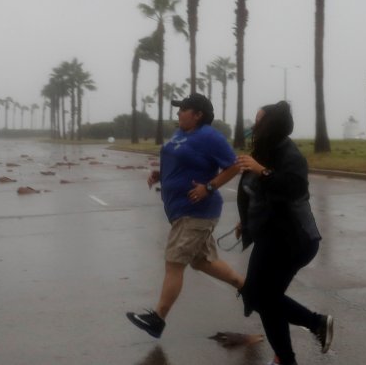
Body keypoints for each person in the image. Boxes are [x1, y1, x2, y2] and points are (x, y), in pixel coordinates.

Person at [126, 93, 245, 339]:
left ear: (198, 114)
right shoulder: (181, 133)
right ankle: (249, 289)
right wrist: (162, 174)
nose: (178, 113)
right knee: (202, 262)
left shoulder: (210, 137)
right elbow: (180, 159)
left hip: (197, 212)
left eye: (183, 109)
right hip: (180, 211)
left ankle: (157, 319)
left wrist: (208, 187)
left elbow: (234, 165)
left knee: (174, 262)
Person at [235, 101, 332, 365]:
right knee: (264, 298)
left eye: (259, 121)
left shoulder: (289, 155)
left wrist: (262, 171)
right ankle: (287, 356)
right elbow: (253, 193)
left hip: (293, 240)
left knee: (261, 297)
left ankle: (315, 325)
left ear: (271, 125)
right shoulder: (263, 151)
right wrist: (245, 222)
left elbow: (294, 188)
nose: (254, 126)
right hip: (270, 237)